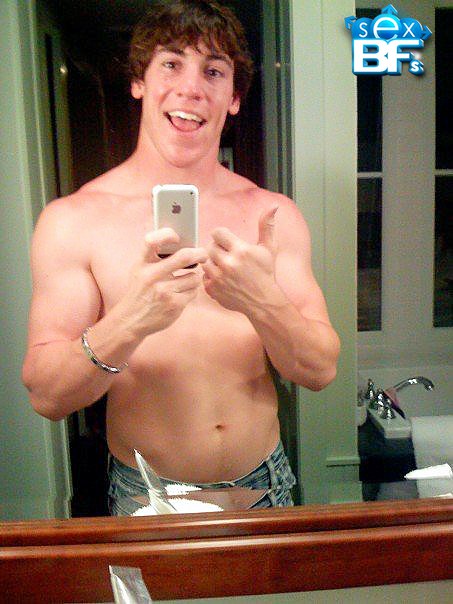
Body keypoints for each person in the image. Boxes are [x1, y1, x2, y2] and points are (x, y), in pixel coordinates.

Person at [22, 0, 340, 515]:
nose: (191, 88)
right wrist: (131, 320)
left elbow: (320, 369)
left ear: (233, 98)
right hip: (146, 495)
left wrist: (262, 303)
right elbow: (47, 396)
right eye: (171, 63)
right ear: (139, 81)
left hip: (267, 485)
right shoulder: (73, 220)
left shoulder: (273, 214)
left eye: (213, 71)